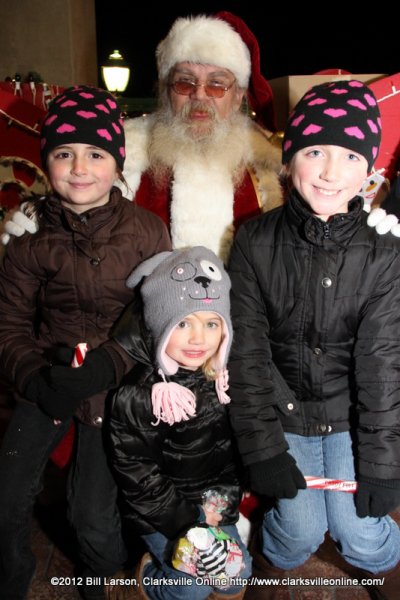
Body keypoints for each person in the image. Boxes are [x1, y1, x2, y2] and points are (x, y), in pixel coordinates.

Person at [227, 80, 400, 600]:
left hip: (351, 416)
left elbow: (383, 365)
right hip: (284, 413)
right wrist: (262, 450)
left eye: (350, 156)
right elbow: (247, 354)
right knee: (298, 532)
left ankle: (384, 570)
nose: (330, 172)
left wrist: (382, 467)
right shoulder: (254, 241)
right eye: (315, 151)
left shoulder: (384, 252)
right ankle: (269, 565)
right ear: (289, 157)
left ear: (368, 169)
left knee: (360, 533)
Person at [0, 85, 171, 600]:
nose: (79, 168)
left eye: (95, 153)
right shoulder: (28, 237)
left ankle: (101, 583)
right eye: (63, 154)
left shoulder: (147, 231)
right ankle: (12, 576)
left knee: (92, 514)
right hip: (47, 376)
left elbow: (156, 316)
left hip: (112, 384)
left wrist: (110, 364)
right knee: (7, 493)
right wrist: (34, 377)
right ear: (46, 162)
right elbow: (9, 323)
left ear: (117, 163)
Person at [2, 12, 283, 265]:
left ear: (237, 97)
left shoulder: (268, 172)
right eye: (185, 82)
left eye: (217, 84)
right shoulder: (121, 154)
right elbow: (73, 202)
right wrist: (38, 220)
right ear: (166, 91)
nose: (199, 95)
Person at [109, 246, 252, 600]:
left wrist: (218, 509)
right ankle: (144, 581)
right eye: (183, 323)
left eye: (211, 324)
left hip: (211, 505)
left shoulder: (221, 381)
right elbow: (139, 477)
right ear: (160, 324)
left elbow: (228, 460)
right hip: (162, 514)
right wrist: (189, 522)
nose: (198, 338)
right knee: (190, 589)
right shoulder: (141, 395)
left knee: (235, 576)